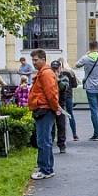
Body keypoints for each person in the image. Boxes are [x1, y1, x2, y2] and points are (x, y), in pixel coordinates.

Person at [28, 48, 61, 180]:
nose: (33, 62)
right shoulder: (44, 72)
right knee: (45, 140)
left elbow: (51, 93)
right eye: (33, 60)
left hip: (44, 110)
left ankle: (45, 170)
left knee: (43, 141)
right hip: (44, 109)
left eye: (36, 60)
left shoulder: (45, 74)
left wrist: (55, 107)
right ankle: (47, 168)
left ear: (43, 59)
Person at [76, 41, 98, 141]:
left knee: (94, 110)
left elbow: (77, 65)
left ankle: (97, 133)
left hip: (90, 87)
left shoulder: (86, 57)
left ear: (90, 47)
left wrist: (86, 54)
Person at [50, 60, 70, 154]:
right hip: (50, 105)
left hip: (60, 105)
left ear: (60, 68)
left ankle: (62, 145)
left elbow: (64, 87)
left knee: (61, 125)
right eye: (53, 69)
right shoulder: (48, 78)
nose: (55, 70)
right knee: (51, 126)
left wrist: (57, 79)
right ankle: (50, 144)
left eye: (57, 68)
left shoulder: (64, 77)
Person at [60, 59, 79, 140]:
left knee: (60, 116)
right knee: (70, 114)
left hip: (60, 96)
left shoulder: (57, 72)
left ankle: (61, 135)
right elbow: (75, 85)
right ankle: (74, 134)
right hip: (69, 96)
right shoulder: (70, 72)